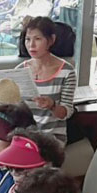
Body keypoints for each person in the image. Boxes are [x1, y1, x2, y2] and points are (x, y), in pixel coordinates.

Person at [16, 17, 77, 145]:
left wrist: (52, 106)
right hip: (25, 135)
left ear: (51, 40)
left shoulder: (67, 71)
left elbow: (66, 113)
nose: (31, 45)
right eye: (28, 39)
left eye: (37, 39)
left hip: (52, 138)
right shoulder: (20, 70)